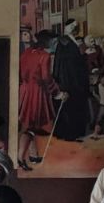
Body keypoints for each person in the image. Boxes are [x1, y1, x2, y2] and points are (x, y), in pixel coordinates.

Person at [17, 32, 57, 171]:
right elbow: (46, 78)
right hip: (36, 93)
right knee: (31, 126)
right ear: (47, 42)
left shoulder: (26, 53)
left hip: (25, 90)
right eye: (52, 41)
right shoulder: (44, 56)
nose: (54, 43)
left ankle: (33, 155)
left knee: (30, 124)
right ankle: (20, 158)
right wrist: (57, 92)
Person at [51, 20, 91, 142]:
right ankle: (69, 134)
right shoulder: (64, 42)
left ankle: (75, 132)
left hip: (76, 79)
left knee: (75, 106)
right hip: (69, 79)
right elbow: (61, 64)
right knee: (70, 107)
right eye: (72, 26)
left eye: (76, 26)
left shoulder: (74, 41)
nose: (75, 28)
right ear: (66, 28)